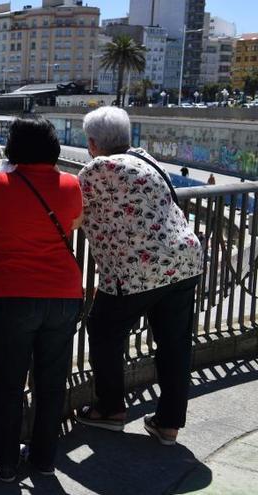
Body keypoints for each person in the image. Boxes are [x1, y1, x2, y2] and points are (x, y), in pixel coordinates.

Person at [0, 117, 83, 481]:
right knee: (51, 380)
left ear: (12, 146)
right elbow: (74, 221)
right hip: (63, 294)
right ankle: (44, 460)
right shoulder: (71, 185)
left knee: (9, 384)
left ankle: (8, 464)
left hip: (13, 295)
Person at [74, 107, 202, 446]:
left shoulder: (97, 169)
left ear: (92, 143)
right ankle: (168, 425)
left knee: (103, 329)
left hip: (135, 269)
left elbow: (70, 212)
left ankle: (111, 409)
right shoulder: (147, 160)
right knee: (174, 345)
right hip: (184, 260)